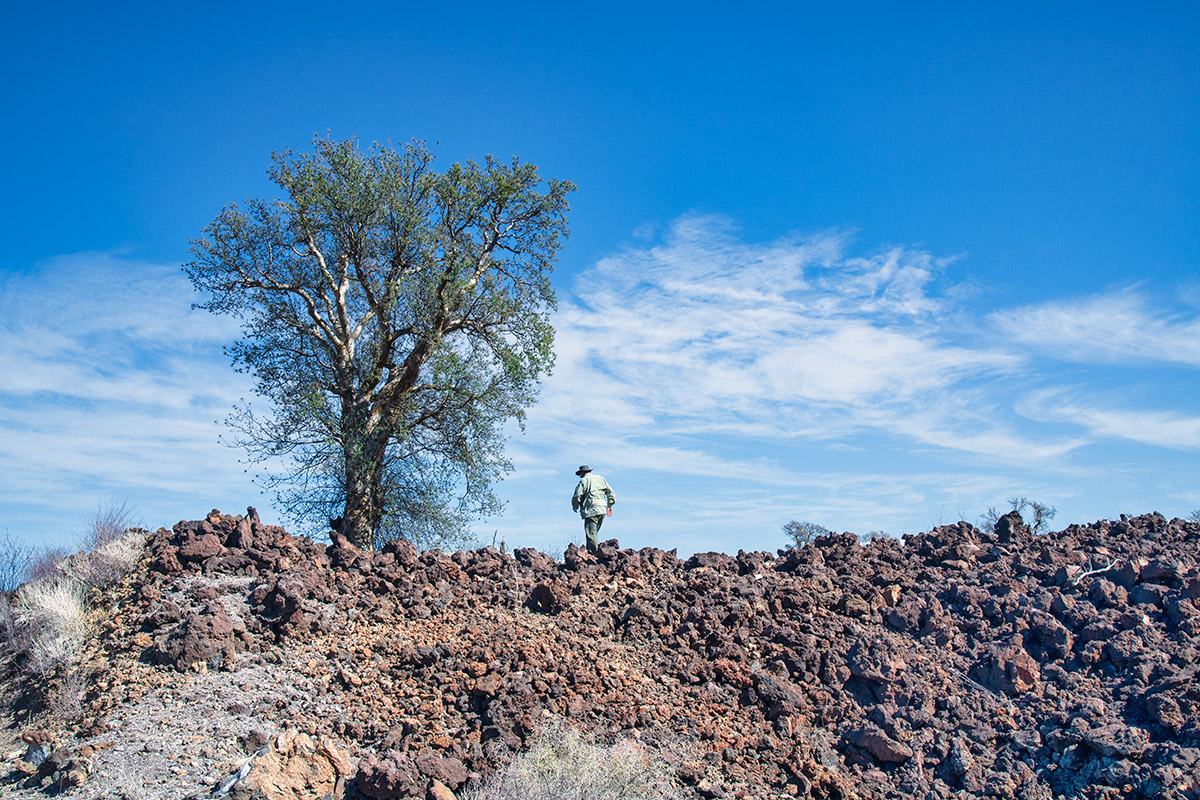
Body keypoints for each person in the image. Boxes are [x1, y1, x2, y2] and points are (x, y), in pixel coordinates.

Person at [571, 465, 615, 555]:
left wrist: (575, 506)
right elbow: (611, 493)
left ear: (582, 473)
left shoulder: (584, 481)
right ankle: (590, 553)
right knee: (593, 534)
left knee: (591, 534)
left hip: (591, 510)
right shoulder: (601, 479)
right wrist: (609, 505)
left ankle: (595, 555)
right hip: (602, 510)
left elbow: (577, 496)